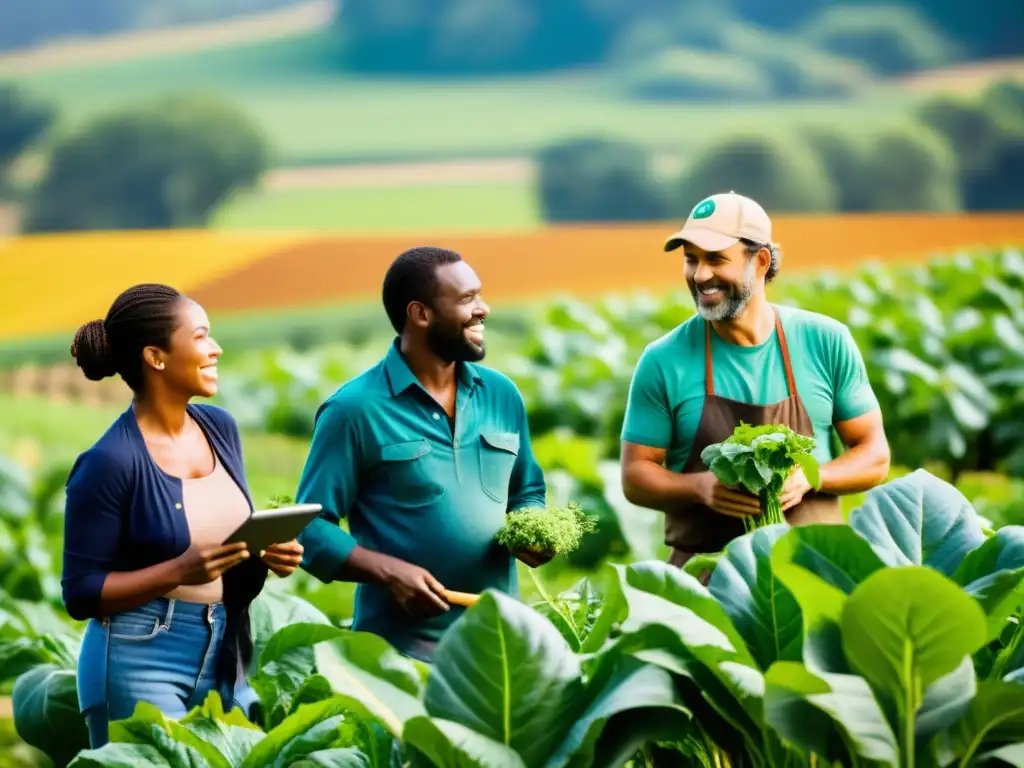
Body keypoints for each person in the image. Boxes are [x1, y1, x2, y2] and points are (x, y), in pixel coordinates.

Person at [61, 283, 304, 747]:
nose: (216, 349)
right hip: (137, 659)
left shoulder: (220, 428)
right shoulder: (108, 462)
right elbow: (81, 593)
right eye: (200, 337)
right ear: (156, 357)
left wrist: (268, 554)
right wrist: (177, 571)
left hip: (225, 653)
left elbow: (228, 538)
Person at [293, 246, 549, 662]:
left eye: (480, 295)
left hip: (499, 643)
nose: (483, 310)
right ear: (421, 314)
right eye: (467, 299)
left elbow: (528, 491)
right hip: (403, 653)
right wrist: (388, 572)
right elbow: (310, 527)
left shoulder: (502, 395)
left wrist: (534, 527)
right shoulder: (353, 410)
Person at [619, 192, 891, 575]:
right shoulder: (664, 360)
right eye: (691, 259)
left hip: (816, 578)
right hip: (707, 586)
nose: (700, 275)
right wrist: (700, 487)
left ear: (760, 261)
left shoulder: (825, 341)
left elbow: (874, 453)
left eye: (715, 259)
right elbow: (635, 477)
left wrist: (810, 478)